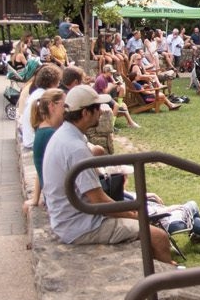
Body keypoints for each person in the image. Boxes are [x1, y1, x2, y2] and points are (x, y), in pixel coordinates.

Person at [42, 85, 175, 258]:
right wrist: (132, 215)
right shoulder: (75, 148)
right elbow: (97, 200)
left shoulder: (65, 135)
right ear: (85, 113)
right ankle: (166, 281)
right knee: (158, 236)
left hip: (67, 220)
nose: (102, 111)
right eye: (97, 108)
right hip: (80, 225)